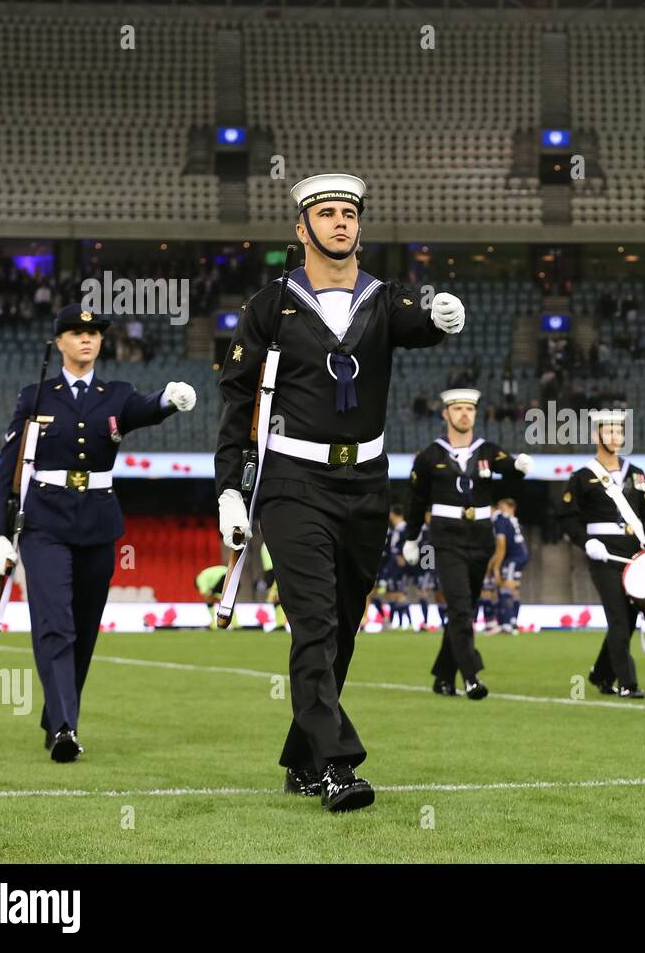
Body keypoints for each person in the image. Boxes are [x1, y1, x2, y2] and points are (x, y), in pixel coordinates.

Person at [215, 172, 464, 812]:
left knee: (345, 626)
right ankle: (335, 764)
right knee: (315, 622)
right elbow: (237, 403)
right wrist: (229, 491)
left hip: (367, 483)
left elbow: (421, 323)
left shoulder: (386, 300)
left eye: (349, 212)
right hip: (293, 482)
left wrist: (441, 316)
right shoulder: (269, 306)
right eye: (326, 213)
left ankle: (302, 756)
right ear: (302, 229)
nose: (341, 222)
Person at [0, 304, 195, 761]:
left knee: (83, 629)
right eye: (77, 333)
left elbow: (141, 410)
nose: (87, 339)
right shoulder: (34, 396)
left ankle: (57, 713)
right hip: (43, 523)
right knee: (55, 624)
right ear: (58, 341)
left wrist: (167, 399)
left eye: (94, 333)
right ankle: (65, 728)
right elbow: (8, 465)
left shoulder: (115, 392)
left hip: (98, 523)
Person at [401, 388, 532, 699]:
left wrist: (520, 468)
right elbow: (417, 500)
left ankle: (443, 677)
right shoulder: (429, 456)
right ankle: (471, 677)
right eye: (457, 408)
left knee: (466, 609)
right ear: (445, 413)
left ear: (475, 414)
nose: (464, 414)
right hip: (447, 538)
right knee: (459, 608)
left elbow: (509, 471)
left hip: (481, 539)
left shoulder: (487, 450)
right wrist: (411, 537)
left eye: (469, 409)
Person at [557, 409, 645, 699]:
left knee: (629, 620)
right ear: (597, 436)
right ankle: (627, 683)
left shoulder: (635, 473)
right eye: (609, 432)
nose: (615, 437)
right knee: (618, 618)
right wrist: (586, 543)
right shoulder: (582, 477)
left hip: (635, 555)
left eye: (619, 432)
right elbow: (568, 518)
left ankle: (600, 674)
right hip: (604, 556)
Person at [489, 498, 529, 635]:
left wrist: (495, 567)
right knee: (514, 589)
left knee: (505, 589)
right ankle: (512, 622)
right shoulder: (510, 519)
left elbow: (501, 546)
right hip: (520, 555)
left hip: (514, 558)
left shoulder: (499, 520)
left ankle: (506, 625)